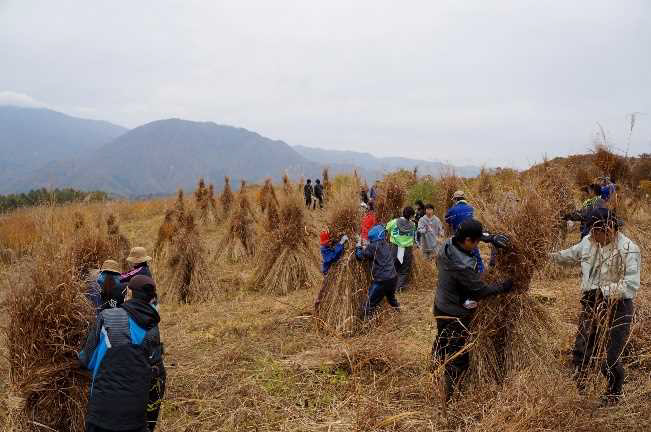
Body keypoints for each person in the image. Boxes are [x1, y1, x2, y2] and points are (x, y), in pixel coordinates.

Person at [550, 208, 640, 406]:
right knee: (582, 351)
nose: (590, 234)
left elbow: (631, 285)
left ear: (608, 228)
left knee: (609, 358)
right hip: (591, 305)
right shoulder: (588, 242)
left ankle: (613, 393)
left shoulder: (628, 249)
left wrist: (604, 291)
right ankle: (581, 388)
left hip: (618, 307)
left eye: (594, 230)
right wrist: (544, 255)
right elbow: (568, 255)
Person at [432, 219, 513, 400]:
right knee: (458, 356)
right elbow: (480, 290)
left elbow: (472, 236)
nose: (477, 244)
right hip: (454, 313)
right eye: (475, 242)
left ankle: (433, 370)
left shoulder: (449, 243)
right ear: (467, 240)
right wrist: (504, 286)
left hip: (440, 304)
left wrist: (490, 238)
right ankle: (450, 397)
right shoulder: (462, 266)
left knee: (441, 339)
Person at [79, 275, 165, 432]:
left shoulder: (107, 317)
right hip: (135, 419)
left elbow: (86, 360)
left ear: (129, 294)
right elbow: (157, 381)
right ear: (151, 299)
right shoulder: (152, 330)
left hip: (101, 413)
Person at [355, 224, 400, 317]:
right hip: (393, 277)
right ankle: (399, 312)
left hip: (382, 280)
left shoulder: (372, 247)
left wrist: (358, 246)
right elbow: (375, 250)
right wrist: (367, 245)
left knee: (368, 305)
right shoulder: (386, 244)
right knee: (391, 299)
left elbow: (360, 256)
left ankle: (364, 325)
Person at [445, 191, 484, 272]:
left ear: (455, 199)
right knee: (476, 256)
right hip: (472, 238)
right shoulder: (471, 208)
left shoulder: (451, 210)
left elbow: (447, 221)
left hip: (459, 239)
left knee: (460, 259)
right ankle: (480, 272)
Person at [314, 230, 349, 311]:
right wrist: (340, 243)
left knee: (334, 287)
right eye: (327, 241)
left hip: (334, 271)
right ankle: (318, 304)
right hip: (328, 272)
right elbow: (332, 257)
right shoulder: (324, 249)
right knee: (326, 288)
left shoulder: (329, 245)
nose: (328, 242)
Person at [386, 207, 417, 291]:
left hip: (395, 248)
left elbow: (387, 229)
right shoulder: (413, 225)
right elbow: (413, 235)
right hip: (407, 249)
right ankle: (398, 287)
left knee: (392, 268)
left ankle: (390, 287)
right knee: (404, 270)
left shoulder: (394, 222)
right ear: (411, 215)